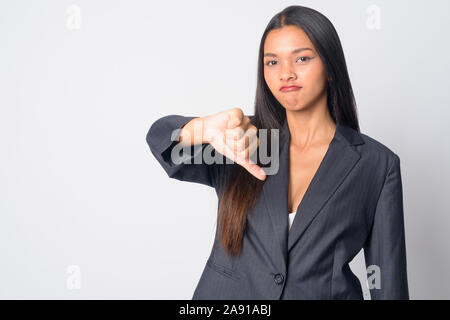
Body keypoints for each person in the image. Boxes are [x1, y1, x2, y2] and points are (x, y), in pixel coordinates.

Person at [146, 5, 409, 300]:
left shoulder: (376, 164)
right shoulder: (242, 140)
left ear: (331, 68)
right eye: (272, 62)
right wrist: (202, 129)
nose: (286, 73)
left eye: (302, 58)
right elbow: (160, 141)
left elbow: (388, 282)